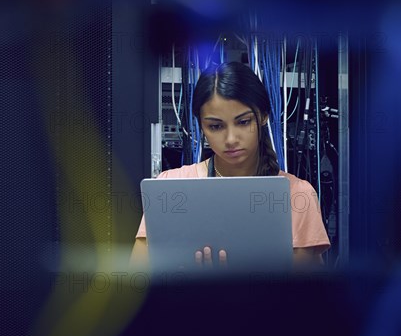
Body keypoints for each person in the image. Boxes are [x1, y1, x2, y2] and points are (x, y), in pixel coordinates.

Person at [130, 61, 330, 269]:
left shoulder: (298, 195)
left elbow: (303, 297)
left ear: (263, 116)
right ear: (201, 126)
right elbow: (137, 281)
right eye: (216, 126)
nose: (231, 138)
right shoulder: (170, 187)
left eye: (243, 122)